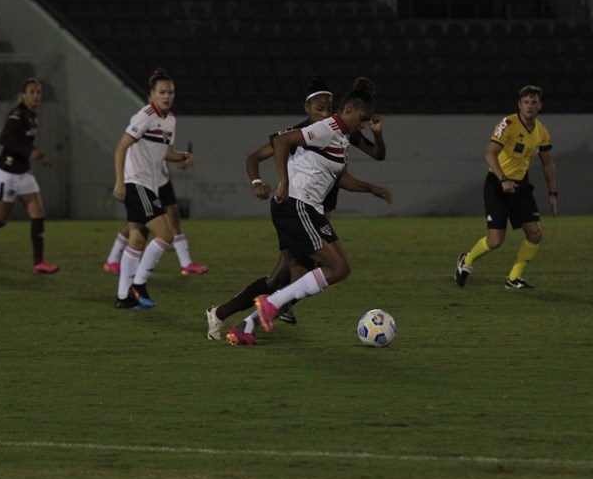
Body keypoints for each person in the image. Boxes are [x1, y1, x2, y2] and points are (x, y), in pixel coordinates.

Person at [205, 76, 390, 344]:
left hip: (308, 210)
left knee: (281, 280)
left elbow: (362, 164)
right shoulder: (322, 130)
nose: (325, 112)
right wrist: (278, 182)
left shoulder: (344, 134)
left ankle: (235, 321)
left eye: (328, 107)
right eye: (320, 107)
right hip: (297, 206)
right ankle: (270, 308)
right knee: (331, 270)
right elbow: (279, 143)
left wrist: (376, 143)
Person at [454, 85, 557, 290]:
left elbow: (547, 163)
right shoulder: (508, 124)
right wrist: (503, 179)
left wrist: (553, 192)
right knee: (495, 241)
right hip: (497, 183)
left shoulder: (541, 132)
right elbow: (490, 153)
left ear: (540, 106)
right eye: (526, 102)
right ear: (519, 105)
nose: (529, 106)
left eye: (533, 102)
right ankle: (466, 261)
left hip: (521, 186)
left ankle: (513, 279)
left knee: (535, 233)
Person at [112, 68, 194, 309]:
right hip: (137, 182)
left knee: (136, 241)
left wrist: (181, 157)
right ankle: (139, 284)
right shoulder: (144, 116)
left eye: (170, 92)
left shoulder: (170, 120)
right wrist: (120, 181)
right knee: (166, 234)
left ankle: (123, 297)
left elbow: (166, 150)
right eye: (162, 92)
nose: (167, 96)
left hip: (150, 184)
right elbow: (121, 147)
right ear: (151, 95)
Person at [0, 78, 60, 275]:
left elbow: (22, 143)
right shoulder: (18, 114)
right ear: (23, 95)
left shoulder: (33, 116)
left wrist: (37, 156)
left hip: (23, 173)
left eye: (38, 92)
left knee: (38, 215)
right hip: (6, 173)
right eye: (32, 92)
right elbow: (4, 139)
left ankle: (38, 263)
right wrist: (30, 151)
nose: (36, 96)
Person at [102, 166, 209, 276]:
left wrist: (179, 158)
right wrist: (120, 181)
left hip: (160, 176)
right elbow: (121, 150)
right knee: (139, 222)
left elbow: (164, 151)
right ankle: (117, 264)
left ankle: (186, 263)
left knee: (173, 215)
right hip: (141, 179)